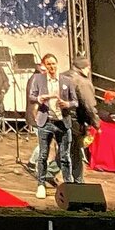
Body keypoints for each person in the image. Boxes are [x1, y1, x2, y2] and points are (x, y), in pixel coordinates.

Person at [27, 53, 74, 199]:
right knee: (43, 155)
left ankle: (69, 185)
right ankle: (40, 184)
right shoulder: (38, 79)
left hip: (62, 122)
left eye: (54, 63)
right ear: (44, 66)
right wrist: (39, 98)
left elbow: (75, 101)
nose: (52, 67)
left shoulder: (66, 80)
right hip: (45, 121)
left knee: (65, 155)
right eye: (49, 64)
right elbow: (31, 96)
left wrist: (67, 104)